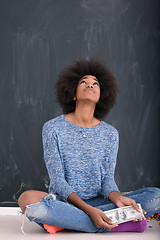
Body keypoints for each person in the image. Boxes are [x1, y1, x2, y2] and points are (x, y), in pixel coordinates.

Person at [18, 58, 160, 234]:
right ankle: (118, 222)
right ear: (73, 93)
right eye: (83, 82)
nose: (90, 85)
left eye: (96, 84)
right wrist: (88, 210)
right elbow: (57, 181)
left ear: (101, 96)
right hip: (65, 202)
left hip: (100, 201)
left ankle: (67, 223)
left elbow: (107, 180)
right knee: (26, 199)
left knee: (156, 196)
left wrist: (118, 198)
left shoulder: (110, 134)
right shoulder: (52, 128)